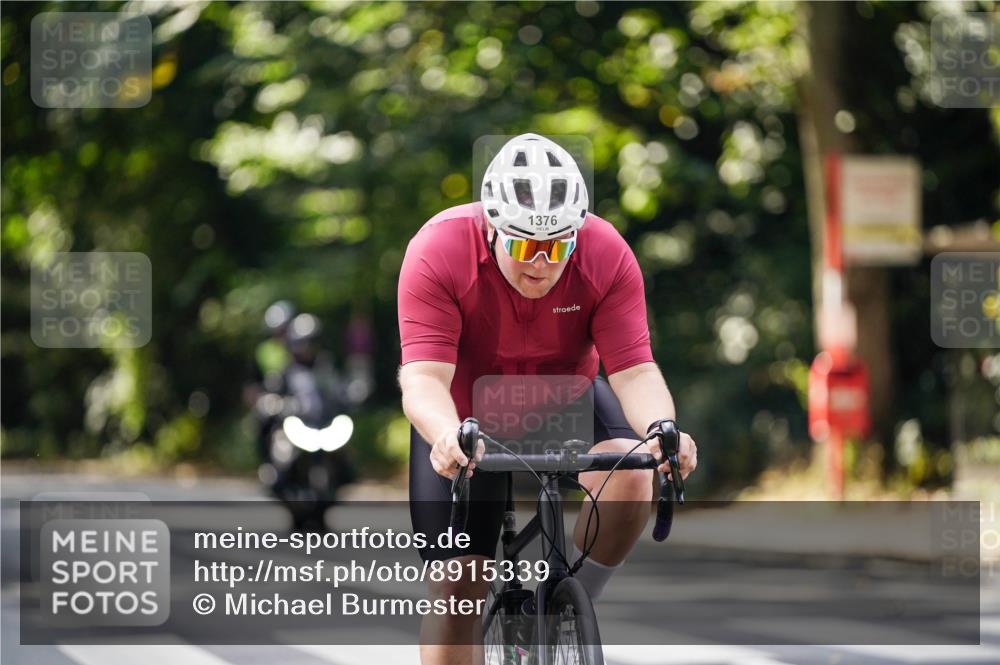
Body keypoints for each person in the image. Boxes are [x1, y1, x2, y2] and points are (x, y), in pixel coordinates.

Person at [397, 133, 698, 665]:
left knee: (632, 472)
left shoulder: (605, 252)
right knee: (458, 588)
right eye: (524, 246)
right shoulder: (439, 249)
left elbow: (634, 370)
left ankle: (570, 613)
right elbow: (423, 378)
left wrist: (662, 429)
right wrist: (445, 436)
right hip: (465, 418)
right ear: (491, 227)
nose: (540, 263)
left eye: (557, 247)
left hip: (565, 399)